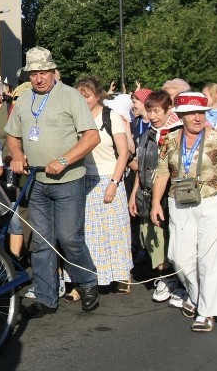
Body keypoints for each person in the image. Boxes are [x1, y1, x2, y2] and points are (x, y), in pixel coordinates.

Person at [6, 47, 100, 318]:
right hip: (35, 180)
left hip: (68, 180)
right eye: (34, 73)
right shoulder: (23, 100)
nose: (39, 78)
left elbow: (91, 137)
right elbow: (12, 135)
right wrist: (16, 154)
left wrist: (64, 159)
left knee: (69, 238)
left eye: (43, 72)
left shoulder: (70, 96)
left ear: (53, 71)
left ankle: (87, 282)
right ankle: (47, 297)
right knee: (42, 242)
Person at [150, 92, 217, 332]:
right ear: (181, 116)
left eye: (201, 113)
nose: (197, 118)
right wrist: (156, 203)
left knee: (210, 259)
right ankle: (196, 297)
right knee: (179, 256)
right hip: (179, 202)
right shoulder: (170, 139)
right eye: (192, 113)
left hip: (215, 202)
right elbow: (163, 172)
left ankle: (206, 312)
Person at [70, 78, 133, 292]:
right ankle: (92, 278)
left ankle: (121, 274)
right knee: (89, 232)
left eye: (86, 96)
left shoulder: (110, 116)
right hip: (84, 178)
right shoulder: (76, 118)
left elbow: (123, 153)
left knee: (113, 231)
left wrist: (114, 183)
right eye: (79, 96)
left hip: (109, 176)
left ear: (97, 96)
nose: (83, 100)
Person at [128, 90, 183, 303]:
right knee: (150, 237)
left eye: (157, 111)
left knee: (172, 239)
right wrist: (134, 196)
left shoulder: (178, 133)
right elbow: (140, 169)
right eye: (150, 111)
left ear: (169, 110)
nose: (153, 116)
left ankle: (174, 279)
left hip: (173, 196)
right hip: (147, 194)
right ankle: (166, 277)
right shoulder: (146, 135)